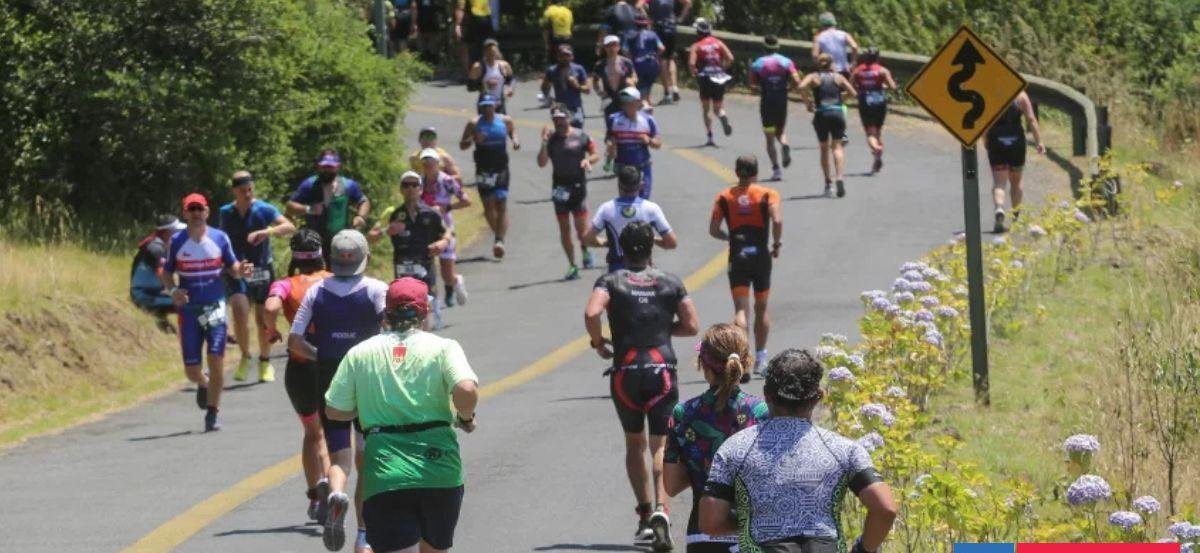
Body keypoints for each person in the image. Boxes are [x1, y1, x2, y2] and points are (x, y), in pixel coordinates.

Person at [325, 276, 479, 553]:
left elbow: (334, 410)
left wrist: (367, 403)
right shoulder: (445, 348)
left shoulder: (360, 353)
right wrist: (465, 417)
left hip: (386, 473)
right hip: (439, 470)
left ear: (386, 312)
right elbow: (466, 389)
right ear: (425, 312)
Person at [699, 349, 899, 553]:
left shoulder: (735, 448)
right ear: (818, 397)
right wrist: (863, 550)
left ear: (767, 395)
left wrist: (750, 518)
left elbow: (710, 522)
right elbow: (885, 509)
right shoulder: (845, 450)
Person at [584, 221, 700, 550]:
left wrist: (599, 342)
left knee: (635, 444)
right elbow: (692, 326)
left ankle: (645, 516)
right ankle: (663, 511)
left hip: (626, 370)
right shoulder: (671, 282)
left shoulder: (610, 280)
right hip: (662, 369)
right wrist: (664, 329)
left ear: (621, 247)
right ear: (652, 247)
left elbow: (592, 311)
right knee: (661, 446)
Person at [288, 229, 389, 552]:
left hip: (330, 375)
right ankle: (363, 535)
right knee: (366, 458)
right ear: (364, 258)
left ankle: (335, 494)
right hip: (368, 378)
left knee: (338, 453)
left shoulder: (316, 291)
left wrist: (324, 354)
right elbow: (392, 329)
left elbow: (294, 341)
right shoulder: (376, 290)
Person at [663, 323, 769, 553]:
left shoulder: (684, 414)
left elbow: (670, 485)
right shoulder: (761, 412)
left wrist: (701, 466)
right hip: (752, 534)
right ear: (746, 362)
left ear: (704, 365)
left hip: (702, 534)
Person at [160, 193, 255, 432]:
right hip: (189, 310)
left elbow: (232, 267)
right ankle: (203, 383)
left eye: (199, 209)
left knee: (216, 358)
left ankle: (213, 413)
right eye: (191, 209)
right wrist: (173, 291)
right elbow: (166, 272)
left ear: (207, 211)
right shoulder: (177, 241)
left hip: (214, 307)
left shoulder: (219, 237)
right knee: (192, 371)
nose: (196, 213)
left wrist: (240, 270)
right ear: (185, 213)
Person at [264, 229, 334, 525]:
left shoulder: (285, 283)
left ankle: (315, 493)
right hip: (332, 364)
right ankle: (332, 486)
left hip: (300, 366)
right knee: (334, 433)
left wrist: (271, 329)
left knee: (312, 432)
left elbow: (270, 306)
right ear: (320, 253)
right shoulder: (334, 280)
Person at [709, 155, 782, 378]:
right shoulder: (768, 194)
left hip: (738, 255)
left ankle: (743, 361)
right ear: (756, 172)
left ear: (736, 171)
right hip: (760, 254)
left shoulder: (724, 196)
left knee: (741, 309)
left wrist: (729, 238)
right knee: (761, 306)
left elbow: (713, 229)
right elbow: (777, 220)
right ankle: (761, 358)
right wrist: (776, 243)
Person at [219, 170, 296, 383]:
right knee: (239, 311)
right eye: (243, 190)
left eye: (250, 189)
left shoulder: (264, 209)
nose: (247, 194)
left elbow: (289, 226)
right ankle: (245, 356)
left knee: (263, 317)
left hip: (261, 267)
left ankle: (264, 360)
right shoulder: (226, 212)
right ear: (234, 191)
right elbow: (220, 238)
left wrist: (267, 232)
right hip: (238, 268)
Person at [538, 104, 601, 280]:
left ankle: (585, 249)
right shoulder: (550, 139)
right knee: (564, 229)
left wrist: (588, 160)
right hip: (559, 188)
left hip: (578, 187)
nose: (558, 122)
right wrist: (543, 142)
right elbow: (542, 163)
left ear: (568, 117)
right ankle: (573, 265)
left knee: (582, 231)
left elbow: (595, 154)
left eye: (561, 118)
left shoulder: (580, 135)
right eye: (555, 119)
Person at [583, 165, 678, 273]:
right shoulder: (651, 209)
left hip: (617, 272)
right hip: (645, 271)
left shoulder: (607, 209)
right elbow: (671, 243)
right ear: (641, 185)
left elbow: (587, 239)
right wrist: (652, 239)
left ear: (619, 185)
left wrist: (606, 243)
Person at [459, 94, 520, 259]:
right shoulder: (474, 124)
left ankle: (498, 240)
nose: (487, 109)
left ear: (495, 105)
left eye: (489, 106)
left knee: (501, 203)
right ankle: (500, 235)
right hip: (483, 170)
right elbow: (462, 145)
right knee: (488, 207)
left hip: (501, 168)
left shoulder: (505, 121)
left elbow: (513, 132)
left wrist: (515, 141)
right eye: (484, 106)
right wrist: (473, 139)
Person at [286, 149, 372, 263]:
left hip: (341, 241)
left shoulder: (348, 185)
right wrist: (308, 209)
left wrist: (360, 216)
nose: (327, 170)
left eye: (330, 167)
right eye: (324, 167)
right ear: (318, 166)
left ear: (338, 166)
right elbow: (289, 206)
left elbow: (364, 201)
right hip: (314, 241)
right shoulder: (309, 184)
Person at [417, 148, 472, 308]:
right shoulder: (419, 183)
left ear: (437, 163)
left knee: (447, 274)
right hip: (425, 230)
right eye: (425, 162)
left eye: (431, 162)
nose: (428, 165)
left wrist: (447, 207)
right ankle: (427, 301)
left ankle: (456, 281)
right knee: (423, 269)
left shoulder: (447, 181)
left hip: (445, 229)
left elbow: (466, 200)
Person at [799, 53, 856, 198]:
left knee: (824, 149)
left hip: (821, 114)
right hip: (837, 113)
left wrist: (807, 102)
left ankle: (828, 183)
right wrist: (841, 99)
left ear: (818, 64)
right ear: (831, 64)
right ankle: (840, 177)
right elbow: (853, 92)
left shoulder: (814, 77)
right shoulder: (839, 77)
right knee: (837, 147)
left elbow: (801, 86)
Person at [987, 90, 1045, 233]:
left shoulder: (990, 95)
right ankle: (1016, 218)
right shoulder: (1021, 95)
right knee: (1016, 180)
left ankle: (999, 208)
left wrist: (985, 140)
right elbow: (1031, 119)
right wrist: (1039, 141)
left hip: (996, 138)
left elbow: (985, 121)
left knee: (999, 181)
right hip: (1016, 140)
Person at [749, 35, 802, 181]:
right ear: (778, 46)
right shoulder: (786, 61)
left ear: (764, 47)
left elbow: (752, 87)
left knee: (769, 137)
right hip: (781, 100)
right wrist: (788, 88)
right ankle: (785, 144)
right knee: (781, 131)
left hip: (767, 101)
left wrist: (761, 89)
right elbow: (797, 80)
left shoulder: (757, 64)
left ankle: (776, 169)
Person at [131, 214, 186, 330]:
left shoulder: (162, 246)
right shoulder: (156, 248)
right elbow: (162, 274)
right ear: (167, 233)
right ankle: (211, 329)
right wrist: (176, 292)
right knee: (190, 303)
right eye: (178, 231)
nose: (181, 234)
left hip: (154, 293)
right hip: (144, 296)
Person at [605, 87, 662, 198]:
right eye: (624, 102)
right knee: (627, 202)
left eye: (630, 102)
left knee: (643, 201)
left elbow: (658, 144)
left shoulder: (648, 120)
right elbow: (609, 138)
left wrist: (649, 141)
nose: (627, 105)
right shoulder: (613, 119)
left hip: (642, 167)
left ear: (638, 102)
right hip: (623, 169)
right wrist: (610, 146)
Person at [688, 19, 735, 145]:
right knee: (718, 108)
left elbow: (692, 64)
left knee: (706, 109)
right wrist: (723, 68)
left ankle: (710, 137)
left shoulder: (696, 46)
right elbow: (730, 58)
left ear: (698, 32)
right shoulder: (718, 42)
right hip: (719, 76)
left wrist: (695, 73)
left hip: (705, 78)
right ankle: (722, 116)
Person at [850, 46, 897, 175]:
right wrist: (883, 86)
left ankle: (876, 149)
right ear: (878, 57)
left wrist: (860, 90)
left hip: (865, 102)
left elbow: (851, 86)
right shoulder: (883, 71)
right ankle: (877, 158)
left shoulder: (858, 71)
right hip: (880, 102)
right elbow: (893, 87)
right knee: (878, 131)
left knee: (870, 133)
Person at [639, 0, 691, 104]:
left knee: (662, 59)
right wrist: (681, 17)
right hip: (672, 27)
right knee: (670, 58)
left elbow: (638, 5)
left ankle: (667, 93)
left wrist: (648, 19)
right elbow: (688, 2)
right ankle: (675, 87)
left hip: (659, 27)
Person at [593, 35, 638, 131]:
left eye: (614, 45)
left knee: (627, 126)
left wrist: (632, 81)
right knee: (611, 128)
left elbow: (634, 76)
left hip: (625, 98)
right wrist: (600, 91)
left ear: (618, 47)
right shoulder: (600, 65)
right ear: (605, 48)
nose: (612, 48)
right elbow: (595, 80)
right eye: (609, 46)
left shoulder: (626, 62)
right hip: (609, 99)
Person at [541, 44, 591, 129]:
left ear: (572, 56)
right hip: (560, 108)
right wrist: (549, 98)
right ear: (558, 57)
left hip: (575, 108)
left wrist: (577, 86)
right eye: (562, 55)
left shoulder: (578, 69)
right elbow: (544, 86)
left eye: (567, 55)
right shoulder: (552, 71)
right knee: (562, 136)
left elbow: (587, 90)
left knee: (577, 136)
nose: (565, 58)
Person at [626, 12, 665, 112]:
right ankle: (647, 107)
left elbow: (625, 51)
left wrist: (630, 61)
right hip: (652, 63)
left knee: (640, 89)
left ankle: (645, 107)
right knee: (647, 88)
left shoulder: (630, 35)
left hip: (637, 64)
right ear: (646, 24)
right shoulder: (653, 34)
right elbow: (661, 48)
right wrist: (655, 55)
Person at [468, 38, 514, 114]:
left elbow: (511, 80)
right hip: (485, 104)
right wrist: (485, 85)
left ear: (497, 51)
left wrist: (509, 88)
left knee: (501, 125)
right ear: (484, 52)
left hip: (500, 103)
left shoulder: (504, 65)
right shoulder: (478, 67)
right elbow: (470, 87)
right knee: (486, 125)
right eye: (488, 50)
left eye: (493, 50)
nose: (491, 53)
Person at [454, 0, 495, 74]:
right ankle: (487, 72)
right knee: (487, 46)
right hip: (486, 20)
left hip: (472, 21)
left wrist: (458, 25)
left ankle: (470, 73)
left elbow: (460, 8)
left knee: (466, 47)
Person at [540, 0, 574, 70]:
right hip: (568, 38)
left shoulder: (548, 11)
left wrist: (546, 44)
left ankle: (552, 76)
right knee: (568, 57)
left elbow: (545, 29)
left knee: (553, 61)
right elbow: (571, 25)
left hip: (555, 39)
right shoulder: (568, 11)